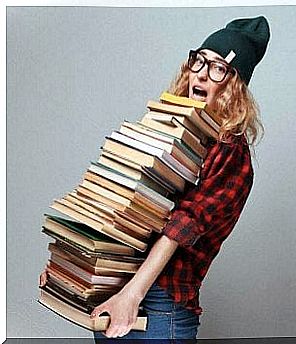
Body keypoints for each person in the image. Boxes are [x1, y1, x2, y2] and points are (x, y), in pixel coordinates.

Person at [40, 15, 270, 340]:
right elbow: (120, 206)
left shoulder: (229, 150)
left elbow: (183, 224)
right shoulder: (168, 129)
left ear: (234, 84)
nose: (202, 74)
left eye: (218, 68)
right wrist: (72, 267)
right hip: (113, 290)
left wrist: (131, 296)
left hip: (158, 304)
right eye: (199, 61)